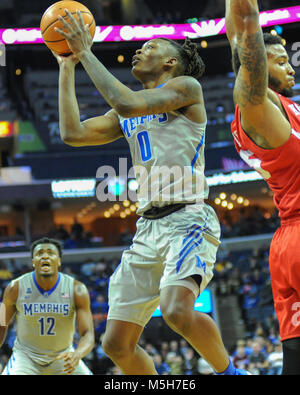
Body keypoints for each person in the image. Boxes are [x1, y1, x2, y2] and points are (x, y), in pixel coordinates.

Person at [52, 9, 249, 375]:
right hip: (147, 229)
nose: (139, 52)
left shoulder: (187, 89)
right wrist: (67, 66)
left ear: (171, 61)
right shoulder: (127, 110)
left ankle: (232, 373)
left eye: (150, 46)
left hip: (188, 218)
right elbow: (73, 133)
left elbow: (126, 102)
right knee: (115, 344)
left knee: (176, 311)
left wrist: (86, 52)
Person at [225, 0, 300, 375]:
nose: (290, 65)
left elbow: (237, 35)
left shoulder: (279, 107)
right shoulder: (254, 106)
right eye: (281, 59)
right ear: (257, 65)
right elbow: (245, 34)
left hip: (287, 242)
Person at [0, 237, 94, 375]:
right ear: (33, 262)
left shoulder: (77, 289)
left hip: (64, 356)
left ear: (59, 261)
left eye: (50, 253)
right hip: (26, 358)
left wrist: (78, 354)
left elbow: (88, 334)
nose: (45, 256)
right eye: (39, 254)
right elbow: (1, 323)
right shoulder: (14, 287)